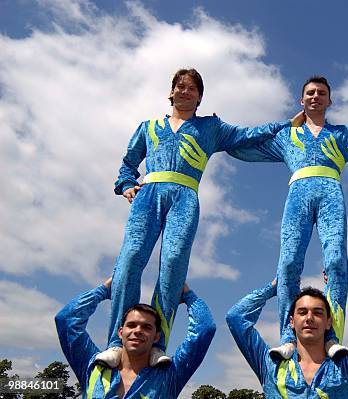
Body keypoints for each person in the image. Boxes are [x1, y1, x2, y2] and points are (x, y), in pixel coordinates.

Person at [99, 68, 296, 367]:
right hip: (148, 195)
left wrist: (286, 124)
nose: (185, 91)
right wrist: (127, 185)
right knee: (129, 260)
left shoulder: (210, 128)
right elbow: (128, 164)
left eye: (192, 88)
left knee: (174, 262)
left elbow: (248, 134)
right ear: (171, 92)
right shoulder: (148, 127)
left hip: (185, 196)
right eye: (180, 86)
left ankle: (158, 342)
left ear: (200, 96)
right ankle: (116, 342)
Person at [228, 76, 348, 359]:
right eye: (310, 93)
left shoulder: (341, 135)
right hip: (297, 196)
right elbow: (245, 148)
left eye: (321, 93)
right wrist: (284, 123)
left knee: (336, 261)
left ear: (329, 100)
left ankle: (332, 336)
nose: (315, 97)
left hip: (331, 195)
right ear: (302, 101)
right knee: (287, 265)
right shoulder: (287, 137)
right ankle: (288, 337)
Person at [226, 273, 348, 398]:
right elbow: (236, 318)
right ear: (292, 321)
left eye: (317, 313)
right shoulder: (271, 365)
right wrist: (272, 288)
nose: (309, 318)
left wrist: (346, 279)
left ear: (328, 322)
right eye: (302, 312)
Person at [55, 278, 215, 399]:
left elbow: (204, 330)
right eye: (131, 325)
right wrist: (103, 290)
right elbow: (66, 320)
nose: (138, 331)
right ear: (120, 332)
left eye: (147, 327)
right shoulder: (93, 367)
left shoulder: (170, 375)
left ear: (156, 336)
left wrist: (188, 296)